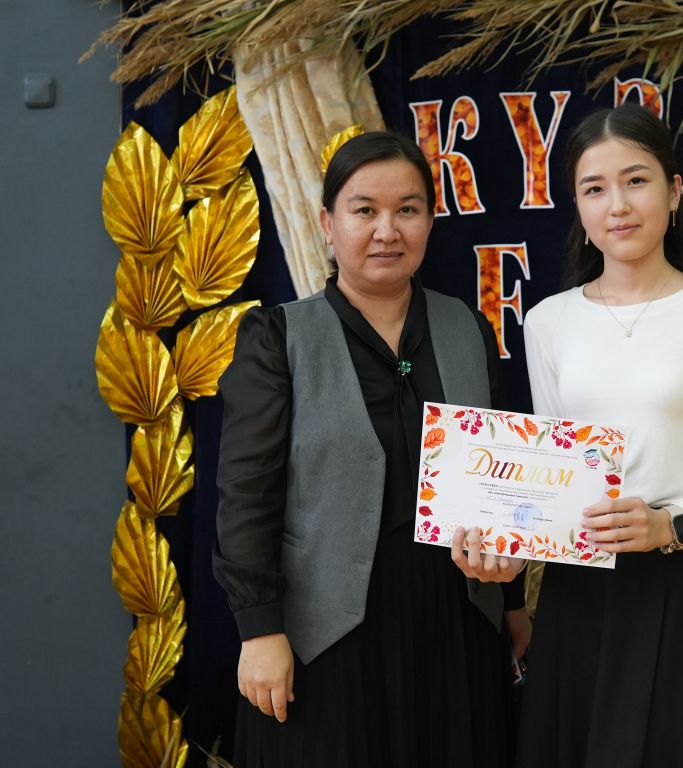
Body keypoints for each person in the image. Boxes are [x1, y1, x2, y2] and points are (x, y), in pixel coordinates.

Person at [453, 104, 683, 767]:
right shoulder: (548, 322)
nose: (618, 205)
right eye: (594, 188)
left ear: (673, 190)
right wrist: (507, 550)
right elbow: (554, 481)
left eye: (636, 181)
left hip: (679, 594)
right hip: (576, 602)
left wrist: (673, 526)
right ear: (577, 206)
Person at [214, 130, 528, 767]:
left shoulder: (466, 327)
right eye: (365, 210)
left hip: (457, 624)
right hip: (326, 638)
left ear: (430, 222)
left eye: (407, 209)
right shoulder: (279, 337)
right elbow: (246, 494)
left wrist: (513, 603)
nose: (388, 230)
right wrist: (259, 629)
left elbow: (499, 477)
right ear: (328, 225)